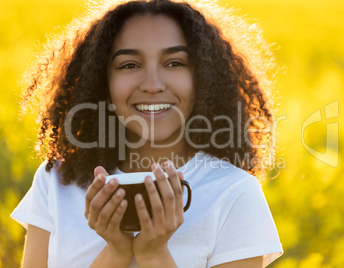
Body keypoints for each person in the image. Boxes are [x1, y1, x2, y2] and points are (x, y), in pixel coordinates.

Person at [11, 0, 283, 267]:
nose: (153, 85)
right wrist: (116, 253)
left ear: (203, 76)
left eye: (175, 63)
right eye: (129, 65)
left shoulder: (233, 192)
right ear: (101, 81)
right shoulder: (56, 180)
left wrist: (154, 255)